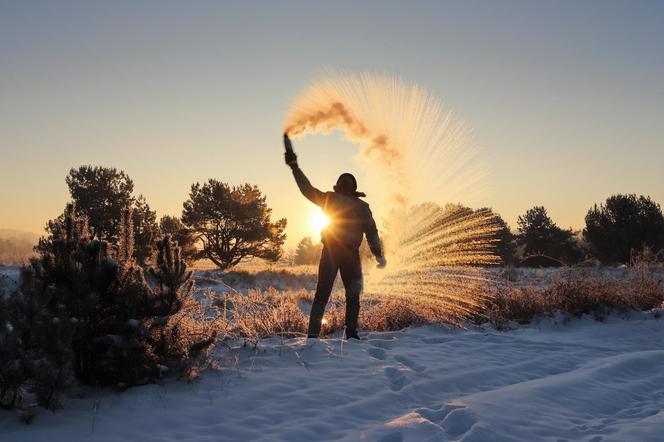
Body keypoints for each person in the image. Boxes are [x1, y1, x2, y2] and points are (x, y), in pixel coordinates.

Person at [283, 133, 386, 339]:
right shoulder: (337, 200)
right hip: (336, 251)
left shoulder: (354, 204)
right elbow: (307, 189)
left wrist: (377, 253)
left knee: (343, 296)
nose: (346, 183)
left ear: (350, 188)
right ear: (339, 186)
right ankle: (325, 336)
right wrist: (294, 167)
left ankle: (341, 335)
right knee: (333, 296)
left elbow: (372, 231)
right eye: (344, 181)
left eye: (348, 181)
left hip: (342, 253)